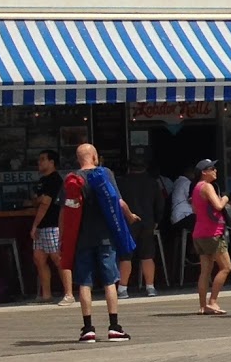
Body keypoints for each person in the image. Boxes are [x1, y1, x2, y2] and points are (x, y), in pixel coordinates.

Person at [61, 143, 138, 343]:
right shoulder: (105, 174)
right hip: (105, 237)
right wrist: (130, 217)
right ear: (95, 157)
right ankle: (114, 327)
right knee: (109, 281)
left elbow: (66, 211)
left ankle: (88, 329)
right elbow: (118, 202)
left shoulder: (72, 179)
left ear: (78, 159)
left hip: (82, 237)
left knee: (84, 283)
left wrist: (64, 236)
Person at [116, 156, 167, 298]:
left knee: (126, 256)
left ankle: (122, 289)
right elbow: (160, 203)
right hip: (147, 221)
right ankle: (150, 287)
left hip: (127, 222)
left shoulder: (121, 182)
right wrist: (157, 219)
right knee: (147, 255)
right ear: (145, 167)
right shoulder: (153, 183)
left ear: (129, 167)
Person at [190, 158, 231, 315]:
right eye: (212, 168)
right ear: (204, 172)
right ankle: (213, 301)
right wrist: (226, 197)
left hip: (199, 233)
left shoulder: (196, 188)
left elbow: (194, 209)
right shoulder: (207, 187)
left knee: (205, 270)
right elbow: (219, 205)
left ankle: (203, 305)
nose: (215, 171)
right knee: (226, 267)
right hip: (212, 233)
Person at [30, 150, 71, 304]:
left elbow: (45, 203)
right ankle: (46, 294)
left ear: (52, 162)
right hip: (42, 226)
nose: (39, 163)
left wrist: (35, 225)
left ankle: (68, 292)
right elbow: (35, 200)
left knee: (57, 258)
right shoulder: (42, 181)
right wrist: (39, 200)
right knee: (39, 258)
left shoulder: (55, 180)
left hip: (53, 224)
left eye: (42, 160)